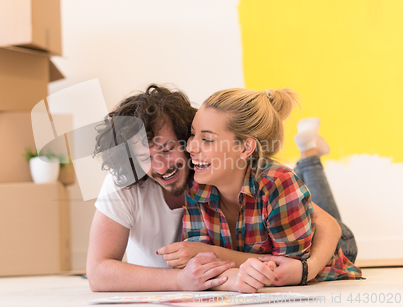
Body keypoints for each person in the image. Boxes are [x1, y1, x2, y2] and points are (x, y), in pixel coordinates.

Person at [86, 85, 352, 292]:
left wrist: (309, 267)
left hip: (318, 244)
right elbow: (97, 272)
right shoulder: (187, 182)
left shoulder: (206, 167)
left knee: (303, 195)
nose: (159, 165)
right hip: (267, 240)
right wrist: (187, 277)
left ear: (182, 139)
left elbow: (325, 225)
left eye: (167, 149)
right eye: (144, 157)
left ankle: (309, 154)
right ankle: (309, 151)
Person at [180, 88, 362, 293]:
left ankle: (309, 152)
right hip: (289, 209)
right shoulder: (196, 184)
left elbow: (288, 268)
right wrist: (204, 255)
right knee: (295, 191)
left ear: (245, 148)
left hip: (330, 246)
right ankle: (308, 151)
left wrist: (210, 251)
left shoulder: (279, 182)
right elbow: (200, 264)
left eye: (207, 139)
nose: (190, 147)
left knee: (298, 192)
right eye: (192, 135)